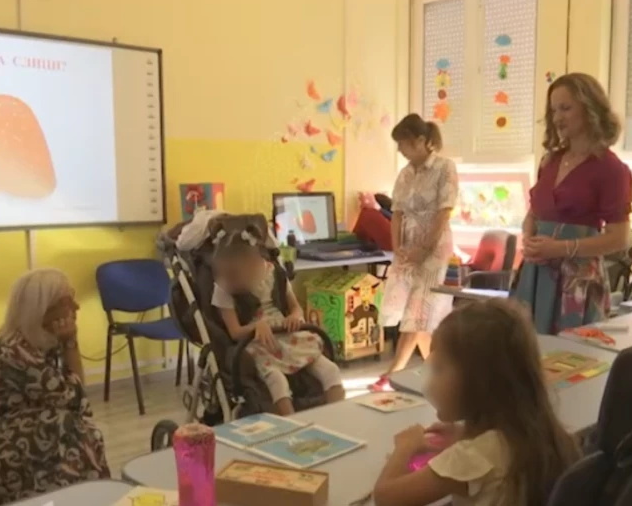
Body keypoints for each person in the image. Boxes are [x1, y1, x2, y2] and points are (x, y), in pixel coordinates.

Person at [373, 298, 581, 506]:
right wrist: (464, 434)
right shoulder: (539, 430)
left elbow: (385, 498)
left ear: (477, 382)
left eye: (439, 368)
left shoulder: (472, 456)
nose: (431, 379)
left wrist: (405, 447)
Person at [512, 73, 632, 334]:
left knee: (569, 352)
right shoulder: (550, 161)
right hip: (536, 272)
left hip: (576, 280)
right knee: (526, 348)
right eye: (553, 110)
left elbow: (620, 238)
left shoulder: (611, 169)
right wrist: (529, 237)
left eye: (566, 108)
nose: (557, 118)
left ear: (590, 109)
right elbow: (534, 213)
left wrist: (560, 248)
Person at [0, 269, 110, 505]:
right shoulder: (17, 353)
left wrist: (67, 343)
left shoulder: (32, 341)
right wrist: (70, 343)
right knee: (72, 429)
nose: (76, 307)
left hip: (18, 427)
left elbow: (75, 395)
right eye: (66, 301)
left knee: (72, 428)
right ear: (42, 310)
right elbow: (76, 399)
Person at [211, 225, 345, 415]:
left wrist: (295, 316)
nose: (229, 282)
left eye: (234, 277)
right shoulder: (223, 288)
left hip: (286, 332)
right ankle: (292, 424)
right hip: (258, 341)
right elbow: (235, 332)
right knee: (277, 380)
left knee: (330, 370)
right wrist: (256, 326)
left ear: (252, 266)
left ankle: (338, 415)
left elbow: (295, 307)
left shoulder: (275, 274)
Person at [371, 113, 459, 392]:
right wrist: (397, 247)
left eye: (403, 144)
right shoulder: (405, 174)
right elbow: (396, 213)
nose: (400, 150)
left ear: (421, 141)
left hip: (434, 249)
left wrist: (424, 248)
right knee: (419, 316)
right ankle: (444, 370)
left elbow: (444, 212)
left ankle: (393, 373)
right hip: (408, 248)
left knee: (417, 310)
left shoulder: (444, 168)